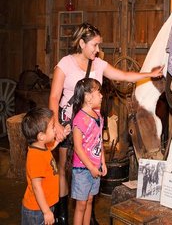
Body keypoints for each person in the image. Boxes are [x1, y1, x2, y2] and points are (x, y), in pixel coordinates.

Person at [49, 22, 163, 224]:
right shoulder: (65, 64)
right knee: (67, 169)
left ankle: (88, 213)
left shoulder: (99, 64)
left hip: (92, 124)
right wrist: (56, 124)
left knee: (90, 165)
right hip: (67, 123)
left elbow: (124, 75)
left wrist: (149, 75)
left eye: (99, 45)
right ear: (82, 43)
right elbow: (54, 97)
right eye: (94, 45)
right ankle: (63, 212)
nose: (98, 50)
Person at [68, 78, 106, 224]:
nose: (101, 95)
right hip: (83, 169)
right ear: (89, 97)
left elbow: (99, 140)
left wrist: (102, 161)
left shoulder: (98, 116)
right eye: (98, 92)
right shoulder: (80, 119)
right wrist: (90, 167)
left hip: (95, 167)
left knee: (90, 200)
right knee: (81, 204)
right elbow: (77, 147)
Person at [21, 107, 59, 225]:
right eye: (52, 127)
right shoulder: (35, 157)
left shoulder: (42, 147)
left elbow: (49, 149)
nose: (55, 130)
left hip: (45, 205)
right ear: (41, 136)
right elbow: (36, 187)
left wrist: (59, 139)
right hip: (37, 210)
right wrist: (46, 211)